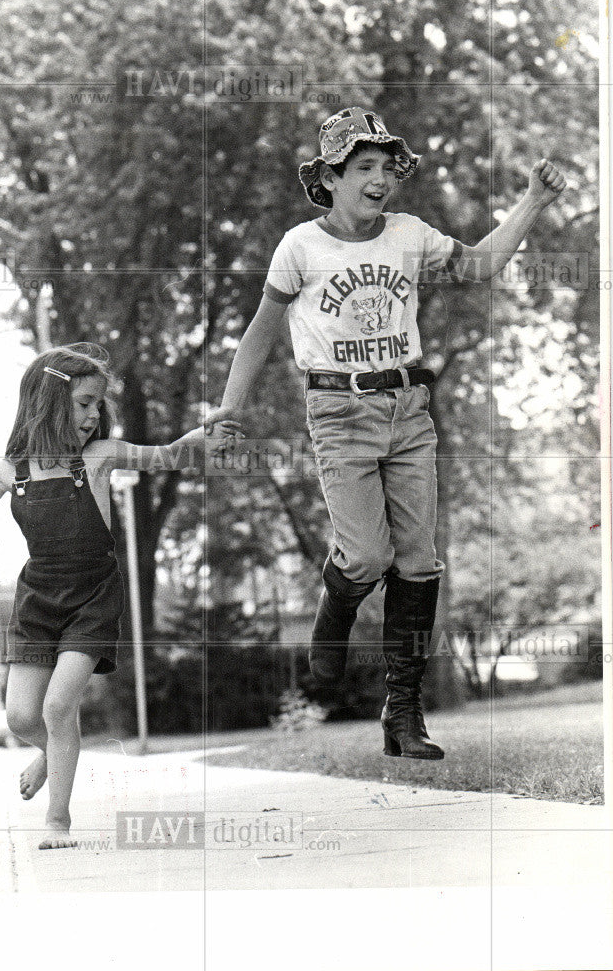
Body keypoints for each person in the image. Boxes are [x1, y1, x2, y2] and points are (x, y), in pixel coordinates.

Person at [207, 107, 565, 760]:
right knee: (368, 555)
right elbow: (261, 332)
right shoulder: (300, 248)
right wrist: (230, 407)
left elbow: (480, 267)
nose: (380, 179)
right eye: (364, 167)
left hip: (406, 407)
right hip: (339, 414)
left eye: (386, 167)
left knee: (419, 560)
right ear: (332, 177)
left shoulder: (407, 234)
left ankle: (403, 715)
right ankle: (338, 600)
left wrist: (533, 202)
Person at [0, 343, 236, 848]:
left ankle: (58, 820)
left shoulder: (98, 457)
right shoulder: (11, 471)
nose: (94, 414)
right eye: (84, 403)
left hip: (92, 597)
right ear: (49, 401)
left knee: (58, 708)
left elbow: (166, 456)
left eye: (98, 403)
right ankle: (51, 754)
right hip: (37, 602)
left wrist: (197, 440)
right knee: (20, 717)